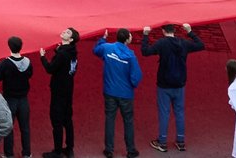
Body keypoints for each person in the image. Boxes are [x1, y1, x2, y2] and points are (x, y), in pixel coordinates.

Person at [141, 24, 203, 153]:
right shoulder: (184, 43)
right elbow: (200, 45)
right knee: (179, 113)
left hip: (164, 84)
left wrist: (146, 35)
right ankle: (180, 141)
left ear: (163, 31)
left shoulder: (162, 44)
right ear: (174, 31)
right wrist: (190, 32)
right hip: (180, 84)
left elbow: (145, 52)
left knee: (164, 113)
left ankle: (162, 142)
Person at [91, 29, 142, 158]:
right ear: (127, 39)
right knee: (128, 121)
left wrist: (103, 38)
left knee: (110, 120)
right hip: (125, 94)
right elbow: (136, 76)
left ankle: (109, 150)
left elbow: (96, 50)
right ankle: (131, 150)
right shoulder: (131, 56)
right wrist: (132, 86)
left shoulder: (107, 48)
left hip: (109, 91)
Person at [0, 38, 31, 158]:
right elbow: (30, 74)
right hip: (24, 99)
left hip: (10, 99)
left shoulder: (6, 63)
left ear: (9, 47)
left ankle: (9, 154)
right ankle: (27, 154)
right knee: (25, 128)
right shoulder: (28, 61)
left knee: (8, 127)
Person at [43, 29, 79, 158]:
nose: (64, 32)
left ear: (70, 39)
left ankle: (57, 151)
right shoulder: (73, 52)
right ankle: (69, 149)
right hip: (68, 89)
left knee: (56, 121)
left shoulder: (62, 54)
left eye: (67, 33)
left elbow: (50, 68)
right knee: (67, 120)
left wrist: (42, 57)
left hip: (58, 91)